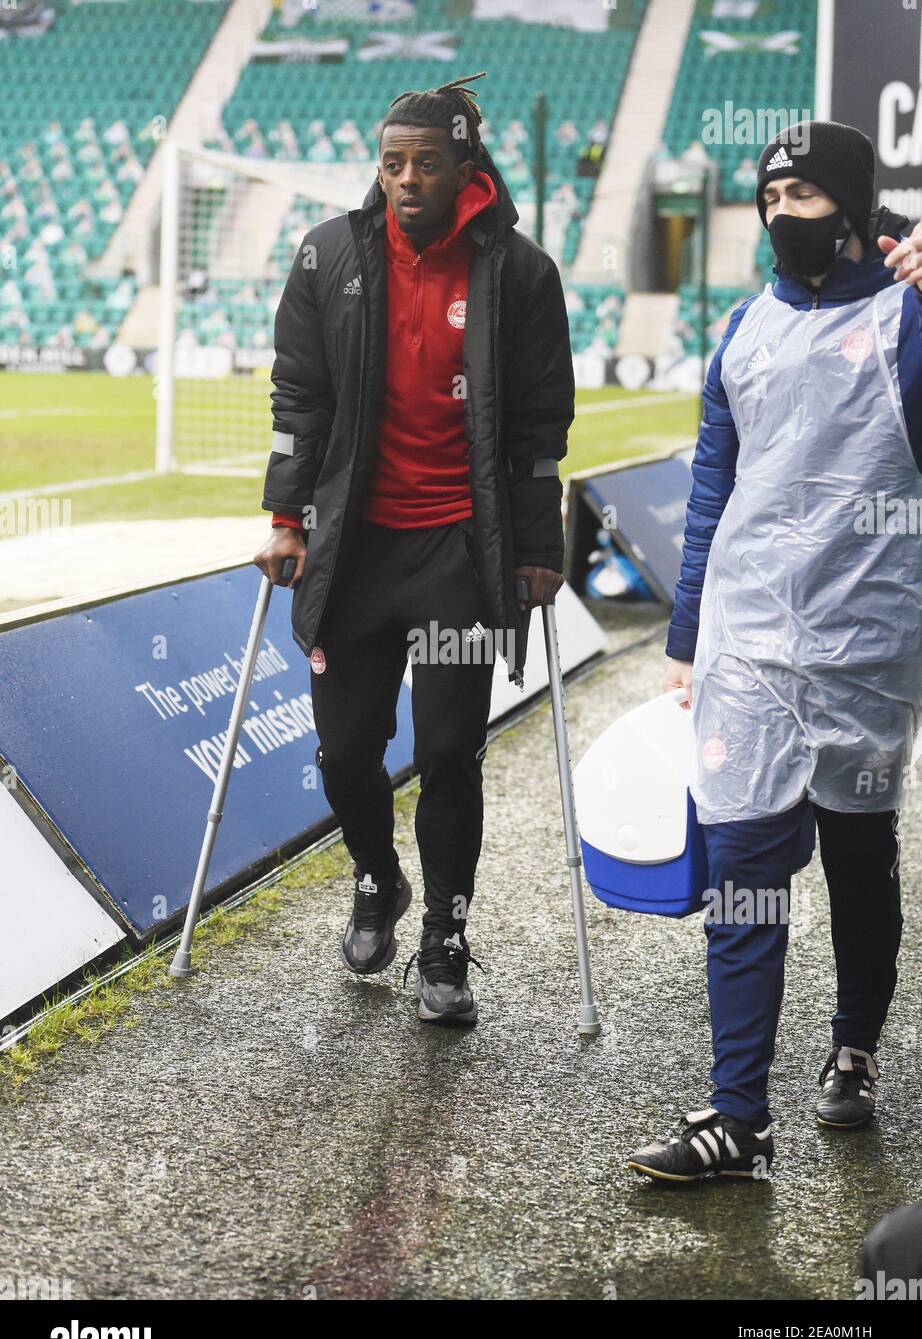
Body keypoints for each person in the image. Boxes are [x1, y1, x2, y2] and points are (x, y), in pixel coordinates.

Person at [627, 121, 922, 1181]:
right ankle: (736, 1113)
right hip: (747, 646)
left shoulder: (906, 319)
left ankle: (853, 1047)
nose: (778, 214)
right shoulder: (743, 330)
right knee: (744, 868)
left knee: (854, 858)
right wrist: (686, 638)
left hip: (866, 648)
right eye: (768, 196)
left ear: (849, 207)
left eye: (801, 195)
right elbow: (710, 492)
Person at [254, 73, 574, 1026]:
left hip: (456, 558)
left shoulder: (519, 274)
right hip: (352, 549)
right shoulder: (327, 258)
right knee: (348, 753)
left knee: (448, 750)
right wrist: (283, 516)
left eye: (426, 164)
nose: (405, 180)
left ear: (466, 167)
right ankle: (375, 876)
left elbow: (538, 427)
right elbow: (298, 402)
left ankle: (445, 935)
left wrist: (535, 543)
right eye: (392, 163)